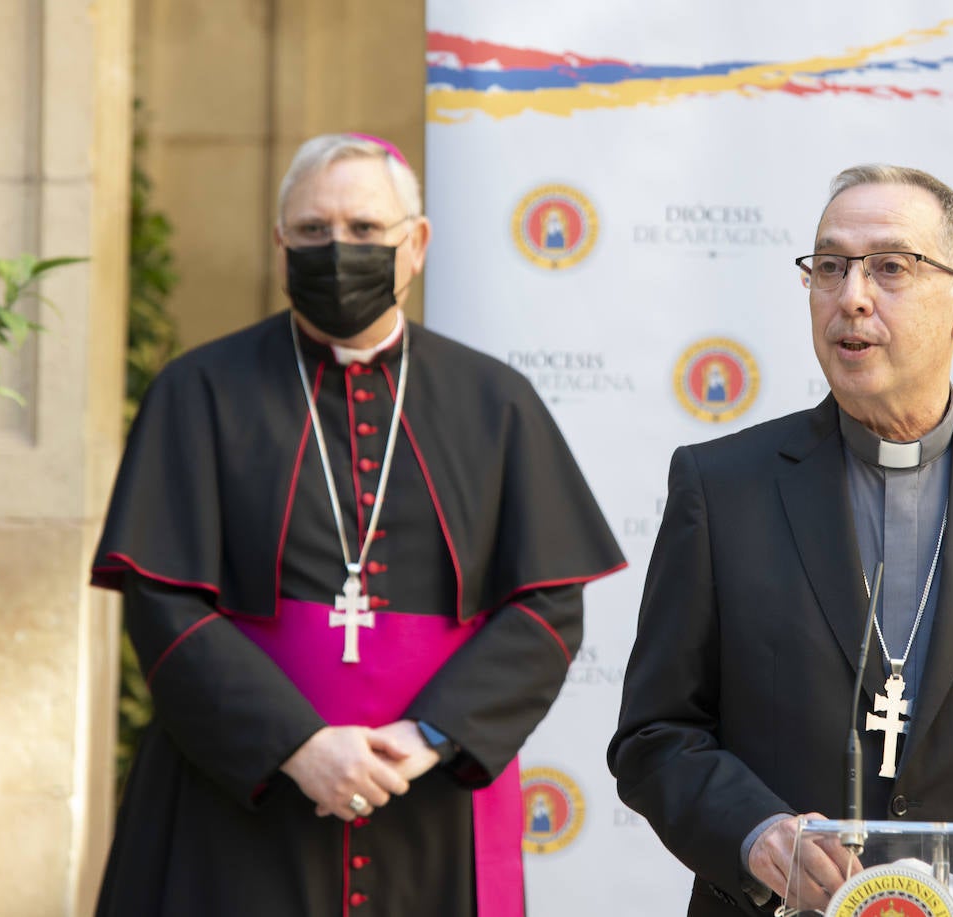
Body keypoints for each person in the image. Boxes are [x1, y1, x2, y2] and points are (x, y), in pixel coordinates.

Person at [91, 133, 625, 917]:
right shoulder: (199, 391)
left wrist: (428, 736)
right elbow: (164, 607)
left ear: (417, 244)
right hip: (237, 797)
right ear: (279, 244)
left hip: (429, 799)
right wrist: (296, 745)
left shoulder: (494, 402)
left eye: (365, 230)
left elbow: (547, 609)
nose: (337, 249)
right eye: (312, 230)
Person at [607, 165, 953, 915]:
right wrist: (754, 832)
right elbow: (655, 733)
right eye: (829, 268)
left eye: (891, 268)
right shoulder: (721, 486)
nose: (852, 297)